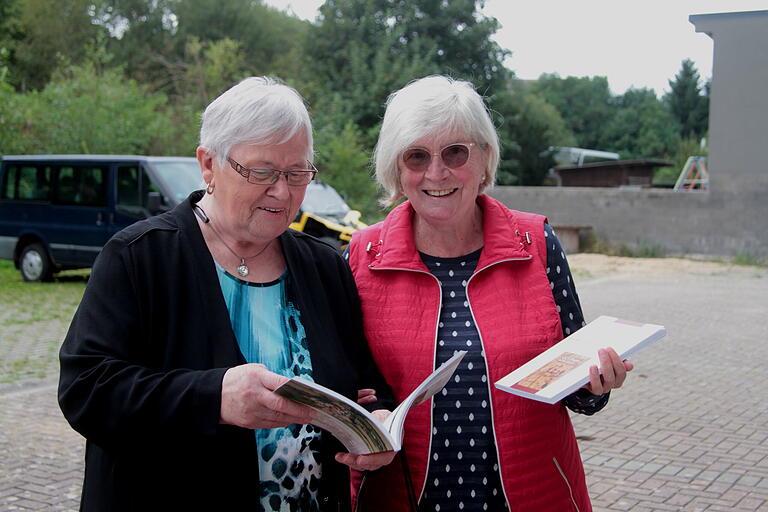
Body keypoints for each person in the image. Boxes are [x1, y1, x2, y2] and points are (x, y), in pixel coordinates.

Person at [58, 76, 394, 512]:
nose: (282, 191)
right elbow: (86, 390)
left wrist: (378, 424)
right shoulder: (139, 257)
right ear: (208, 164)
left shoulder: (324, 266)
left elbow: (362, 384)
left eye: (297, 173)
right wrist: (214, 397)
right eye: (261, 171)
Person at [345, 75, 634, 512]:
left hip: (531, 494)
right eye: (417, 156)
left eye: (455, 152)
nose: (436, 172)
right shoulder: (362, 254)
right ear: (396, 169)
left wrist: (596, 384)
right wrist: (371, 417)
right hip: (400, 496)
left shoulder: (535, 241)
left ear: (484, 158)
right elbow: (352, 385)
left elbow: (575, 384)